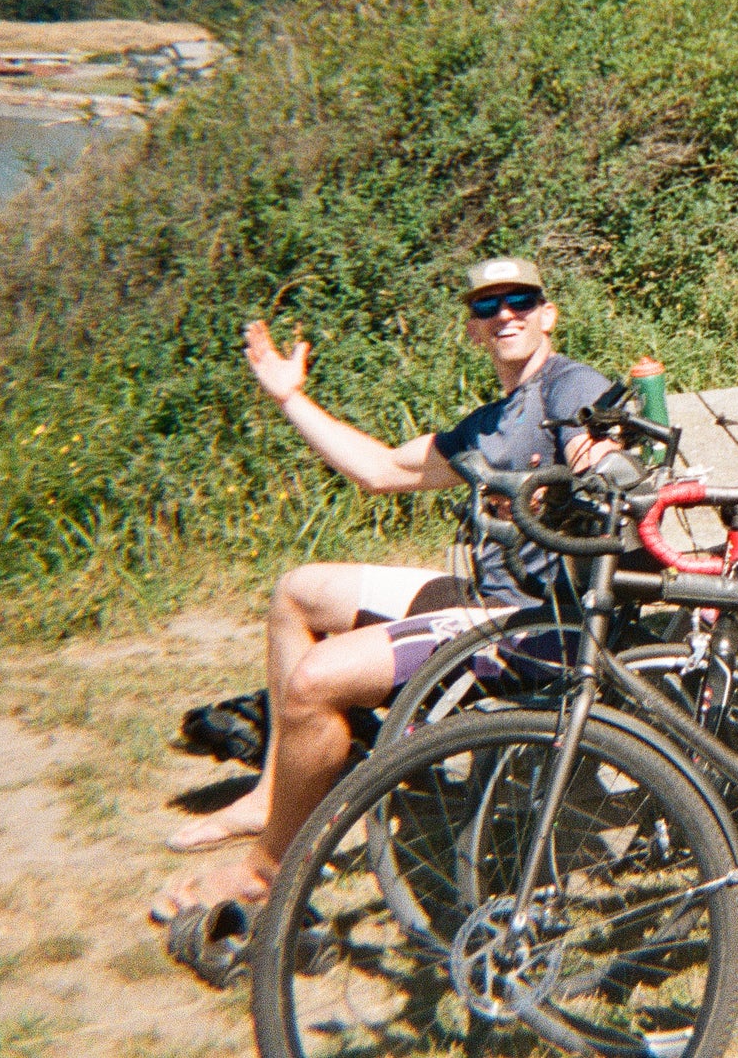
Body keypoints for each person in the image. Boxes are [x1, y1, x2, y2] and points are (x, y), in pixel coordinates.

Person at [152, 257, 617, 921]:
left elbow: (596, 442)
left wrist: (588, 466)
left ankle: (267, 869)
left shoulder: (571, 386)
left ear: (548, 313)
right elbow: (379, 467)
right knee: (297, 592)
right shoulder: (491, 421)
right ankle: (274, 790)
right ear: (473, 329)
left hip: (533, 624)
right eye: (489, 305)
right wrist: (289, 396)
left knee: (313, 682)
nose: (506, 312)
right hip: (485, 595)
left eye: (522, 299)